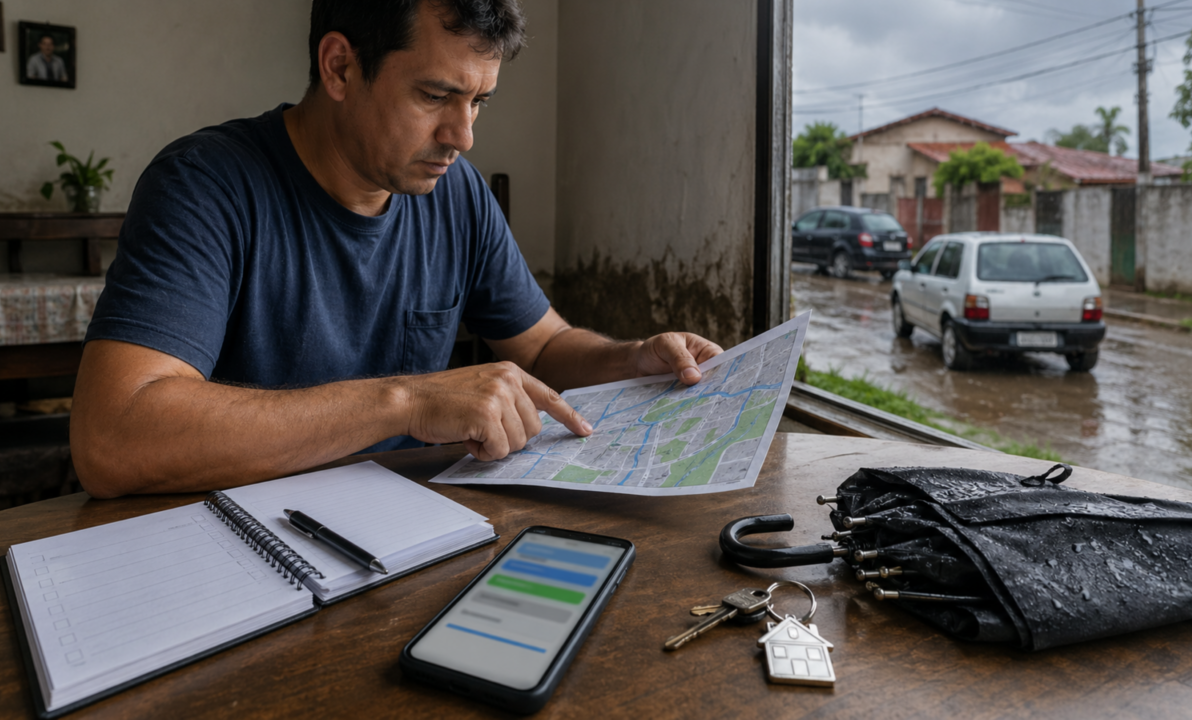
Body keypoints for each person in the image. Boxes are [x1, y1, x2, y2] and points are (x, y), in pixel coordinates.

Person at [72, 0, 723, 498]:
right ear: (340, 67)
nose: (462, 135)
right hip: (236, 546)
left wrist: (630, 358)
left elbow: (544, 349)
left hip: (401, 531)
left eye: (479, 102)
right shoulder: (207, 184)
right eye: (435, 95)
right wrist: (410, 400)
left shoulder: (456, 193)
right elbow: (114, 436)